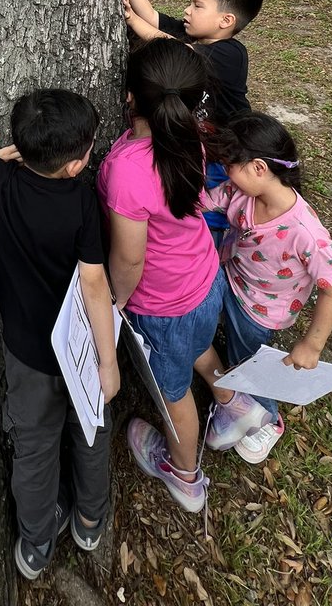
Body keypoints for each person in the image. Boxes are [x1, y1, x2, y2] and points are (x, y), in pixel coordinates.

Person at [0, 18, 119, 581]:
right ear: (74, 163)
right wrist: (109, 363)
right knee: (89, 430)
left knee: (35, 445)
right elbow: (95, 285)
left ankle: (36, 541)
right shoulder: (82, 203)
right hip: (82, 350)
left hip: (26, 351)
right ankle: (91, 519)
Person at [99, 40, 271, 514]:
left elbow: (130, 260)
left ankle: (185, 475)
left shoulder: (125, 172)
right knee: (197, 343)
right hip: (203, 277)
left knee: (173, 394)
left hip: (161, 302)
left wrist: (115, 301)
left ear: (130, 96)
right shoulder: (189, 134)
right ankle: (234, 402)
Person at [211, 112, 332, 463]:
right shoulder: (240, 191)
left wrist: (312, 344)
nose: (226, 172)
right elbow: (205, 202)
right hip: (232, 276)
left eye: (231, 164)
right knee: (230, 347)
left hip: (261, 311)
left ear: (258, 167)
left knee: (247, 362)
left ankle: (268, 420)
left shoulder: (305, 232)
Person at [121, 0, 265, 124]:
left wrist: (132, 19)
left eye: (197, 6)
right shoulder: (189, 32)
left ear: (225, 20)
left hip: (232, 138)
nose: (187, 10)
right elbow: (150, 16)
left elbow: (178, 49)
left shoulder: (232, 54)